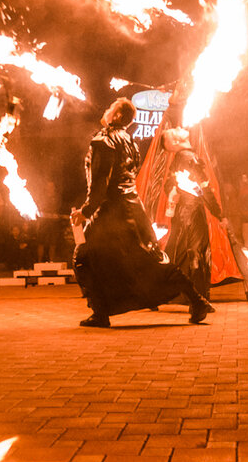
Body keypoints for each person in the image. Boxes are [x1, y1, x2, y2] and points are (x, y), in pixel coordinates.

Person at [70, 98, 211, 327]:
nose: (106, 109)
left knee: (82, 257)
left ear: (117, 116)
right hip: (134, 210)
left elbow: (101, 182)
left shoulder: (103, 141)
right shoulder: (130, 142)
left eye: (110, 108)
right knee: (151, 259)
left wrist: (86, 211)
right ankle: (196, 299)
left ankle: (100, 313)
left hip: (111, 213)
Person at [161, 127, 222, 304]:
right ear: (175, 142)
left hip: (183, 213)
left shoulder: (180, 158)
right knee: (197, 255)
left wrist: (173, 191)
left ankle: (178, 295)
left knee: (184, 254)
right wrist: (219, 213)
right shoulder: (189, 157)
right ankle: (199, 299)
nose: (179, 128)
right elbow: (203, 188)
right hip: (192, 212)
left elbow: (169, 185)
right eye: (173, 132)